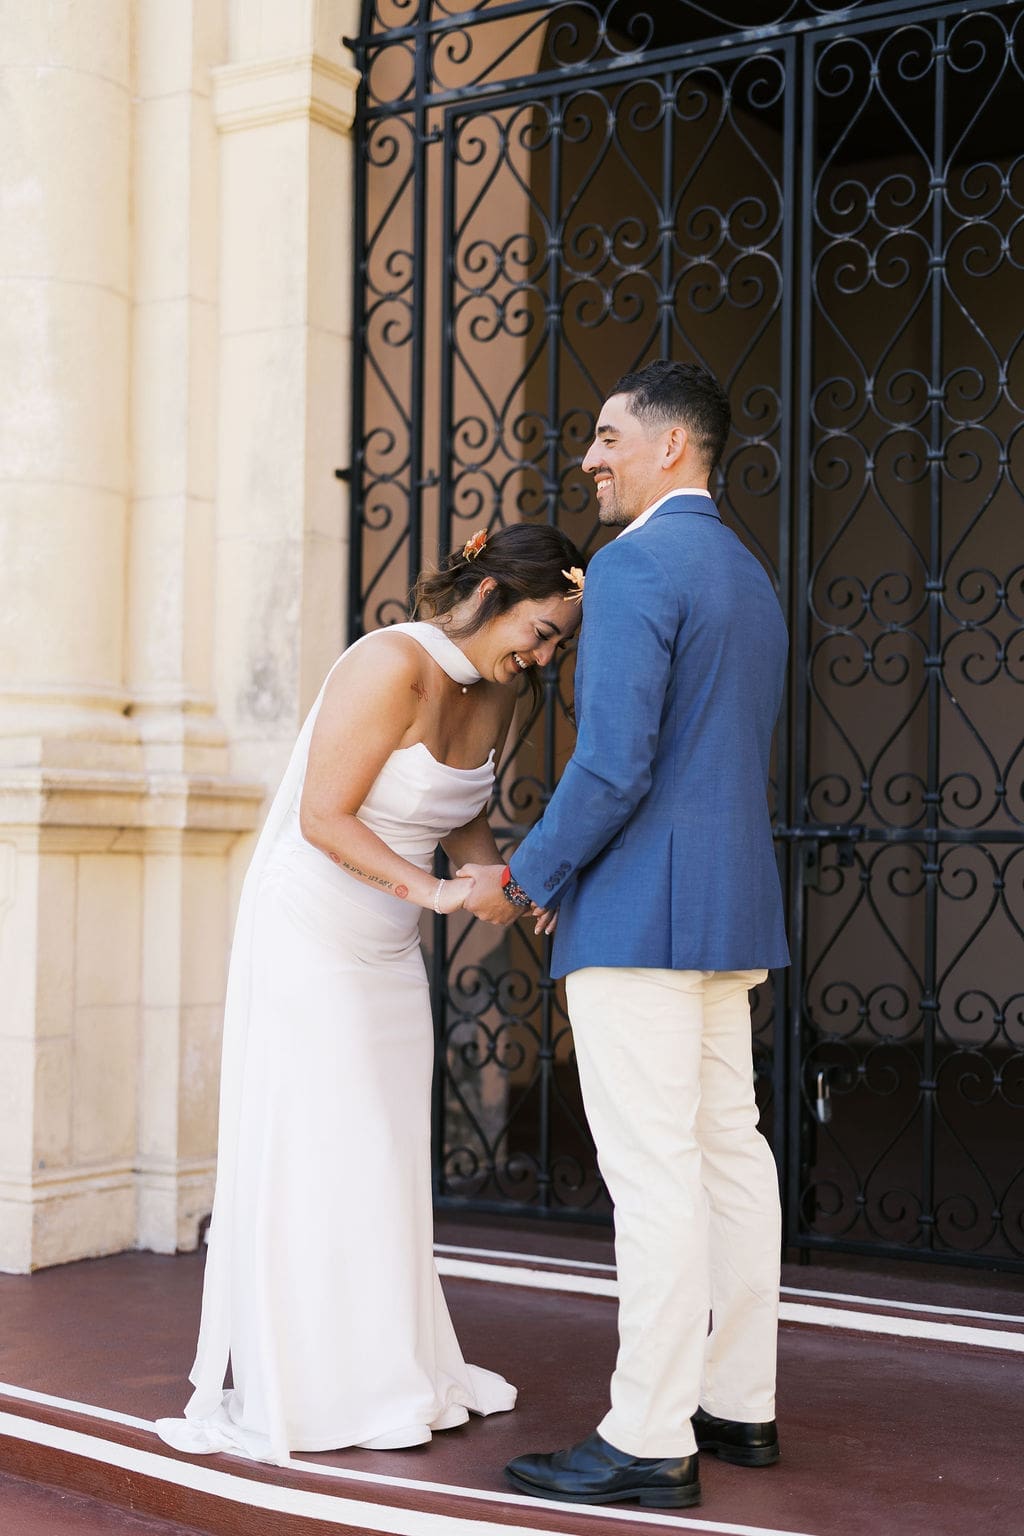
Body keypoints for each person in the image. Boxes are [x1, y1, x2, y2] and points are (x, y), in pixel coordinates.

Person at [155, 523, 585, 1466]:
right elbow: (321, 816)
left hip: (386, 948)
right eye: (542, 629)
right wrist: (438, 892)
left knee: (383, 1153)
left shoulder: (501, 691)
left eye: (559, 641)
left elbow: (460, 807)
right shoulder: (390, 663)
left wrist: (508, 883)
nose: (547, 654)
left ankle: (389, 1363)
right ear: (490, 597)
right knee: (323, 1147)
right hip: (311, 933)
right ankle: (313, 1383)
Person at [459, 361, 790, 1510]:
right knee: (730, 1160)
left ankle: (649, 1438)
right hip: (725, 905)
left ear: (670, 450)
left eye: (608, 438)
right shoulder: (748, 574)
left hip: (638, 915)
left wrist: (530, 872)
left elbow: (613, 763)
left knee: (656, 1176)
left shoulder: (637, 562)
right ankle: (738, 1406)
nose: (590, 458)